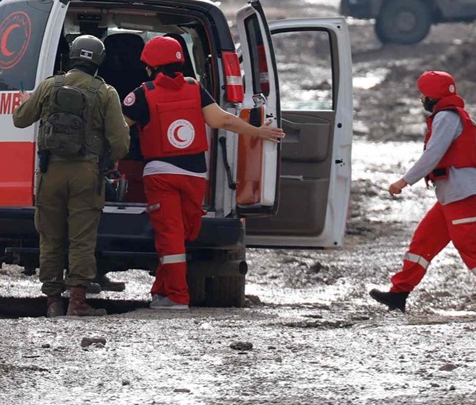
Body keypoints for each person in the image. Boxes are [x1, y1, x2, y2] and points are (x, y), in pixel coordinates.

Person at [122, 35, 285, 311]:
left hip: (160, 174)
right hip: (195, 175)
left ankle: (174, 297)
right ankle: (165, 292)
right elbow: (221, 119)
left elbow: (117, 128)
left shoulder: (140, 94)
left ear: (149, 66)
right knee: (182, 234)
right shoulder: (195, 87)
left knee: (172, 235)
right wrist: (258, 131)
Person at [370, 71, 476, 315]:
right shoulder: (454, 116)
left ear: (432, 95)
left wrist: (404, 181)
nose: (421, 97)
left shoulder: (446, 118)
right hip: (453, 195)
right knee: (422, 244)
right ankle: (398, 294)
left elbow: (433, 155)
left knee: (473, 250)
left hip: (461, 196)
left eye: (423, 93)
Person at [14, 35, 131, 317]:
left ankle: (53, 302)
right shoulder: (106, 93)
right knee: (81, 240)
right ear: (99, 61)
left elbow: (20, 120)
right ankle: (77, 302)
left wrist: (25, 102)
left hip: (49, 172)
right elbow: (121, 145)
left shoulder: (48, 86)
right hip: (86, 175)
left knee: (50, 238)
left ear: (71, 56)